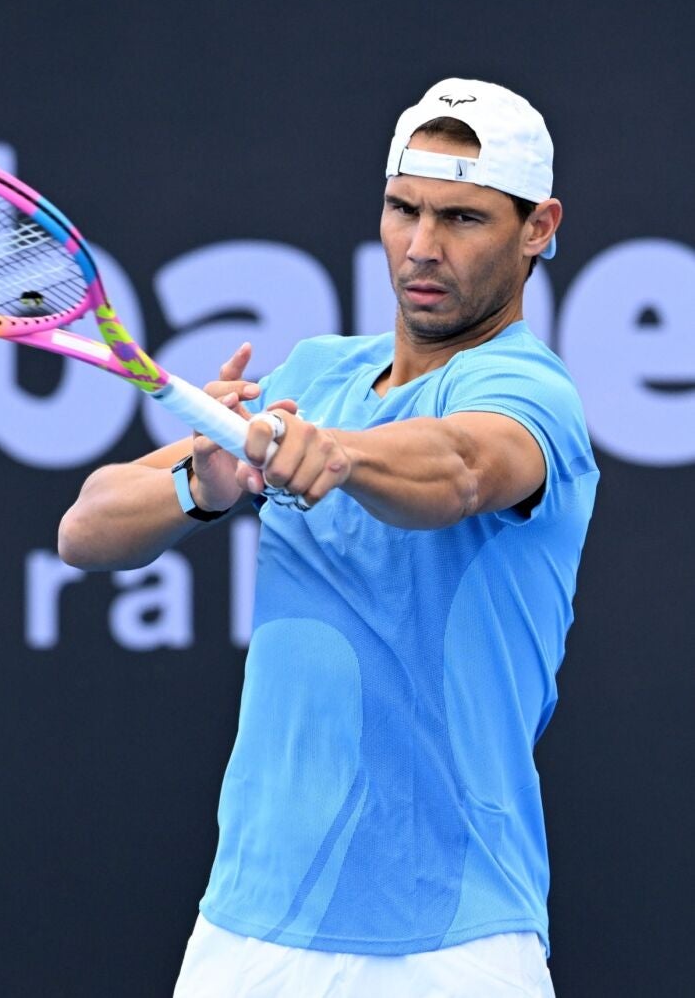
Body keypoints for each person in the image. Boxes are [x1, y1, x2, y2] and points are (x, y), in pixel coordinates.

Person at [57, 78, 595, 995]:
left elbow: (462, 467)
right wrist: (207, 477)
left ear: (538, 227)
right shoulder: (315, 372)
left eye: (462, 218)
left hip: (454, 940)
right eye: (403, 208)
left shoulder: (533, 393)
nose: (421, 247)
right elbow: (86, 528)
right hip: (250, 930)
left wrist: (334, 454)